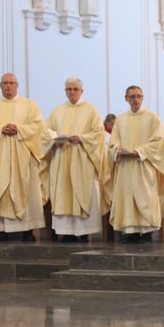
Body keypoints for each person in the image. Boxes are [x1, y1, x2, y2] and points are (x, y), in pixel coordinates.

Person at [44, 78, 104, 243]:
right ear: (65, 91)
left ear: (81, 91)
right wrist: (55, 139)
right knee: (63, 193)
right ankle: (67, 232)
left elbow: (99, 134)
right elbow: (46, 132)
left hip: (82, 159)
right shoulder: (57, 111)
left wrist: (82, 138)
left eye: (75, 89)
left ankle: (83, 232)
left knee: (81, 193)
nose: (72, 92)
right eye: (69, 89)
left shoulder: (91, 110)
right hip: (62, 158)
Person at [107, 85, 164, 243]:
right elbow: (113, 143)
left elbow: (159, 142)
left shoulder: (152, 118)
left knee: (146, 197)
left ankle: (146, 231)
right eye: (132, 96)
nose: (136, 99)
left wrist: (139, 151)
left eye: (139, 96)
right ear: (126, 98)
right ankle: (130, 231)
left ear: (143, 98)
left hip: (144, 165)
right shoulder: (121, 119)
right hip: (126, 167)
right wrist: (118, 150)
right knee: (127, 197)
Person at [0, 73, 45, 242]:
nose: (8, 86)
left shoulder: (29, 105)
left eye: (11, 83)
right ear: (0, 86)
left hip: (23, 155)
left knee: (27, 190)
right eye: (5, 83)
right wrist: (1, 129)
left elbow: (37, 126)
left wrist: (18, 129)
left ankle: (27, 230)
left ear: (17, 85)